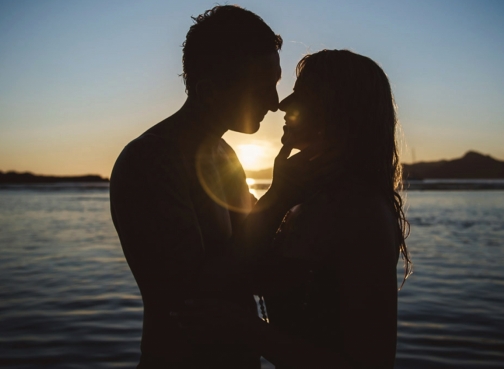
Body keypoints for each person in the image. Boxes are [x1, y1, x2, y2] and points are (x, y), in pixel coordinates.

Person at [174, 50, 412, 369]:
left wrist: (246, 330)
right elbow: (254, 273)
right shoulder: (306, 196)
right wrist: (278, 194)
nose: (283, 104)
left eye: (303, 95)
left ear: (339, 111)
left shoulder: (361, 212)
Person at [109, 5, 284, 368]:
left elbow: (257, 257)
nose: (275, 102)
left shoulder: (226, 156)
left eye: (276, 84)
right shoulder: (151, 161)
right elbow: (190, 294)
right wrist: (283, 194)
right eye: (262, 88)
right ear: (209, 91)